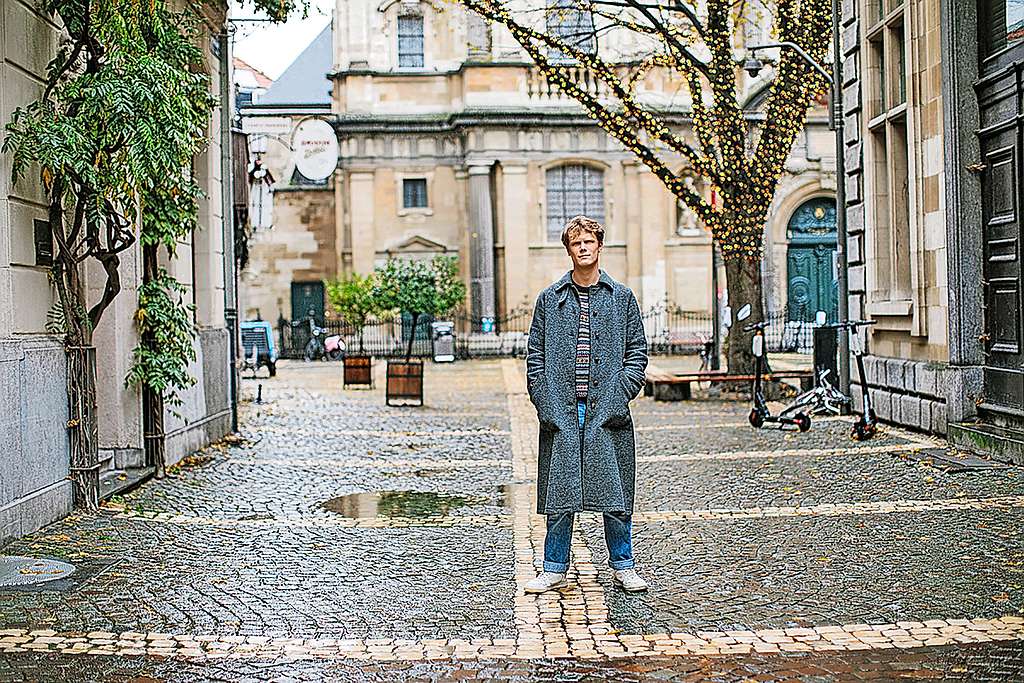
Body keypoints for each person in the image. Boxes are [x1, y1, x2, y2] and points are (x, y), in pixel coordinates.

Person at [524, 215, 649, 594]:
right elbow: (535, 359)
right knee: (558, 494)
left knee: (614, 494)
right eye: (576, 243)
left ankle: (624, 565)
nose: (583, 248)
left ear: (599, 247)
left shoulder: (622, 297)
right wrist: (548, 407)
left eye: (589, 242)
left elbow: (637, 354)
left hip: (607, 412)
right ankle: (553, 566)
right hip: (562, 411)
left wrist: (617, 396)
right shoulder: (550, 299)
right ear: (568, 249)